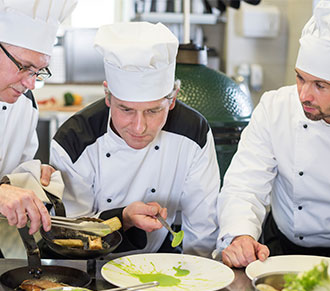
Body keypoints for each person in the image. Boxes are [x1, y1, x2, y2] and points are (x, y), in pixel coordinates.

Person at [50, 22, 220, 257]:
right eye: (126, 110)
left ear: (172, 100)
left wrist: (195, 282)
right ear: (108, 96)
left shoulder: (194, 131)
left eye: (153, 111)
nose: (139, 127)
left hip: (161, 259)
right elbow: (72, 234)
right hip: (90, 265)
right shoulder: (75, 139)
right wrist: (124, 218)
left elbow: (203, 229)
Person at [214, 0, 330, 268]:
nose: (304, 95)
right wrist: (241, 235)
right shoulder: (276, 107)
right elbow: (245, 183)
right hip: (280, 250)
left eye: (320, 85)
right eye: (300, 78)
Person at [0, 0, 77, 235]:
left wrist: (33, 177)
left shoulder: (25, 105)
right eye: (24, 67)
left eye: (37, 72)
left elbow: (10, 178)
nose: (31, 83)